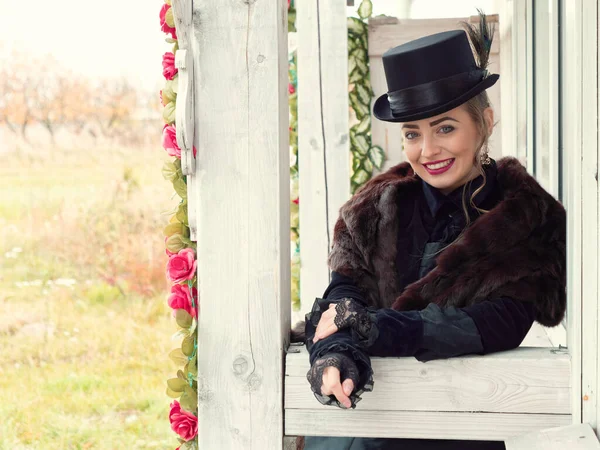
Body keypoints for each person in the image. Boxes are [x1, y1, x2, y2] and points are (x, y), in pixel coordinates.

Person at [299, 12, 567, 450]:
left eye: (445, 128)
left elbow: (501, 322)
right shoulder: (370, 211)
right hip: (369, 425)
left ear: (485, 123)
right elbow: (344, 294)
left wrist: (378, 329)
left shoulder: (527, 218)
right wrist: (338, 348)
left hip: (462, 429)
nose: (428, 151)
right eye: (412, 133)